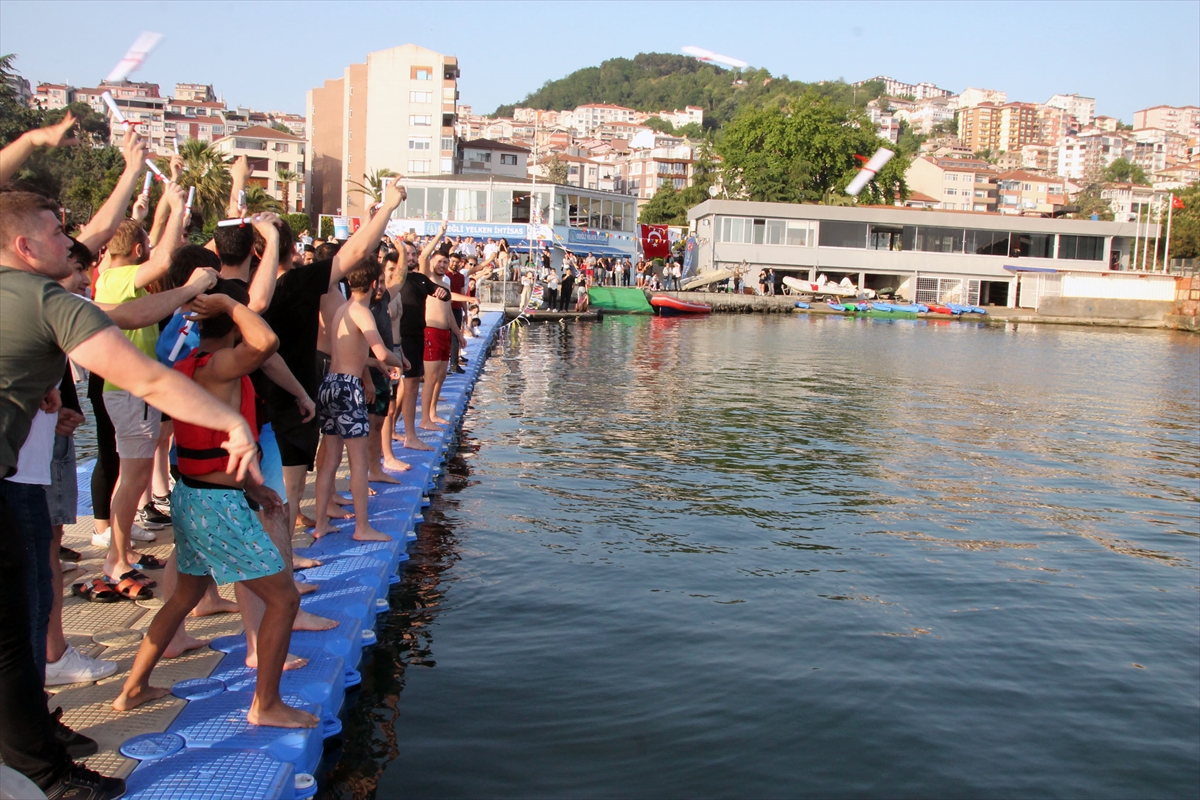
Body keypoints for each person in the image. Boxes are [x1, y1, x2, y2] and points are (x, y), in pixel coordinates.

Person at [0, 185, 259, 798]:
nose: (74, 240)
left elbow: (126, 318)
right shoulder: (44, 298)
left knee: (32, 604)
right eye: (58, 233)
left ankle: (29, 735)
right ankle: (42, 773)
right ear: (23, 245)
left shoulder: (32, 294)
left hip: (12, 479)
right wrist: (231, 422)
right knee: (14, 631)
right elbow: (143, 372)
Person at [112, 279, 317, 730]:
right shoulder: (219, 365)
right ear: (233, 325)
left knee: (184, 594)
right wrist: (227, 301)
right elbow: (266, 342)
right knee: (283, 599)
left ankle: (133, 689)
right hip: (216, 507)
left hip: (195, 495)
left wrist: (252, 489)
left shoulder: (185, 364)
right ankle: (266, 704)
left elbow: (213, 455)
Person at [312, 259, 405, 542]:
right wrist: (397, 360)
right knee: (358, 461)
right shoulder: (363, 313)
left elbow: (351, 354)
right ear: (375, 282)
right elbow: (380, 351)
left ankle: (320, 523)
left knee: (329, 459)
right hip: (349, 389)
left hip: (330, 384)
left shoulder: (341, 309)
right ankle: (362, 528)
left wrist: (375, 366)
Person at [397, 223, 450, 452]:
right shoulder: (396, 280)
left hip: (416, 336)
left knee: (407, 388)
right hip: (400, 338)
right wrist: (440, 234)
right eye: (407, 254)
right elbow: (426, 254)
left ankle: (408, 432)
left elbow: (444, 295)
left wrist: (442, 292)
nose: (411, 257)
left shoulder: (420, 280)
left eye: (413, 254)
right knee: (402, 390)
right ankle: (411, 431)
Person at [421, 245, 467, 431]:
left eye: (444, 262)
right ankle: (425, 418)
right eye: (439, 261)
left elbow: (449, 314)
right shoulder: (427, 280)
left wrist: (458, 334)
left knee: (440, 377)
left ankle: (433, 412)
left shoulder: (446, 285)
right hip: (430, 331)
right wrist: (440, 236)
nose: (442, 265)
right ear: (432, 263)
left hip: (445, 334)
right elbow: (423, 257)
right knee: (430, 377)